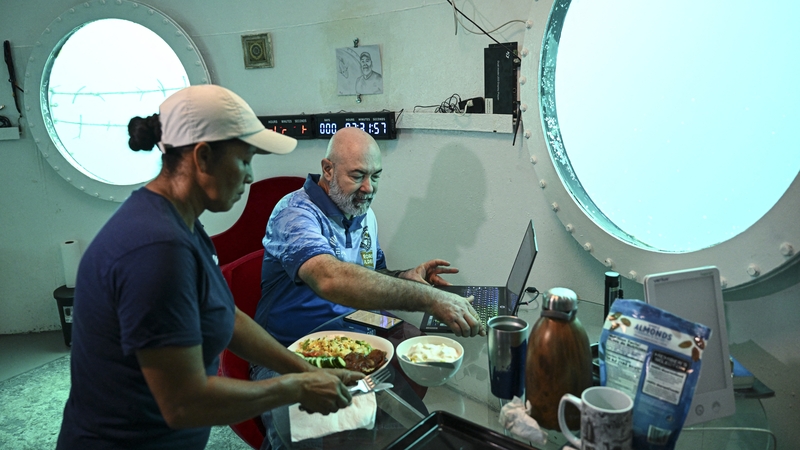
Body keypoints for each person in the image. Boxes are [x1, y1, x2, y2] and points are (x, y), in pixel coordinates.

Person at [56, 85, 363, 450]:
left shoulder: (180, 223)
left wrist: (303, 369)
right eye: (245, 159)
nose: (250, 176)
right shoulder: (157, 250)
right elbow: (183, 402)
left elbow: (226, 317)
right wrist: (297, 388)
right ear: (202, 158)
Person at [252, 126, 484, 449]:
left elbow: (372, 273)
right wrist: (429, 299)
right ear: (327, 169)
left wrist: (406, 276)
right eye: (358, 175)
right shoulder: (294, 213)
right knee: (305, 437)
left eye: (376, 176)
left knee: (411, 427)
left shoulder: (362, 214)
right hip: (287, 351)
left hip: (354, 342)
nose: (368, 188)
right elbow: (330, 278)